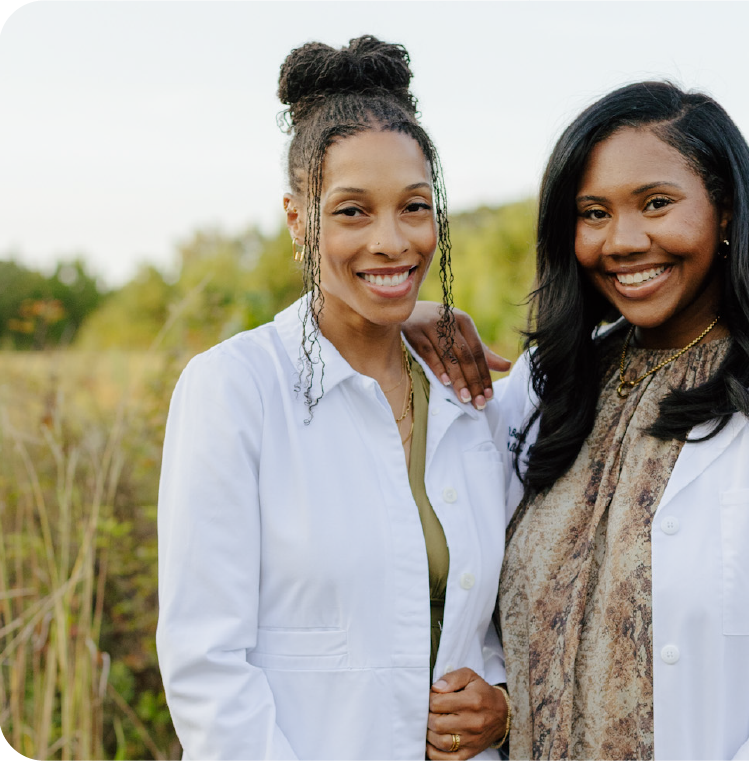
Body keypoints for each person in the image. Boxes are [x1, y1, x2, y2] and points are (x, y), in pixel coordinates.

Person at [403, 81, 749, 761]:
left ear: (726, 208)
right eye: (593, 213)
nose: (622, 241)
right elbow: (476, 565)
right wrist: (394, 323)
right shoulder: (548, 383)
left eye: (656, 203)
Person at [156, 37, 510, 760]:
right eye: (353, 211)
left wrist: (500, 702)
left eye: (414, 206)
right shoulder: (236, 389)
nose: (392, 241)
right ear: (298, 219)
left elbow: (489, 620)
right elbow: (206, 668)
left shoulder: (468, 398)